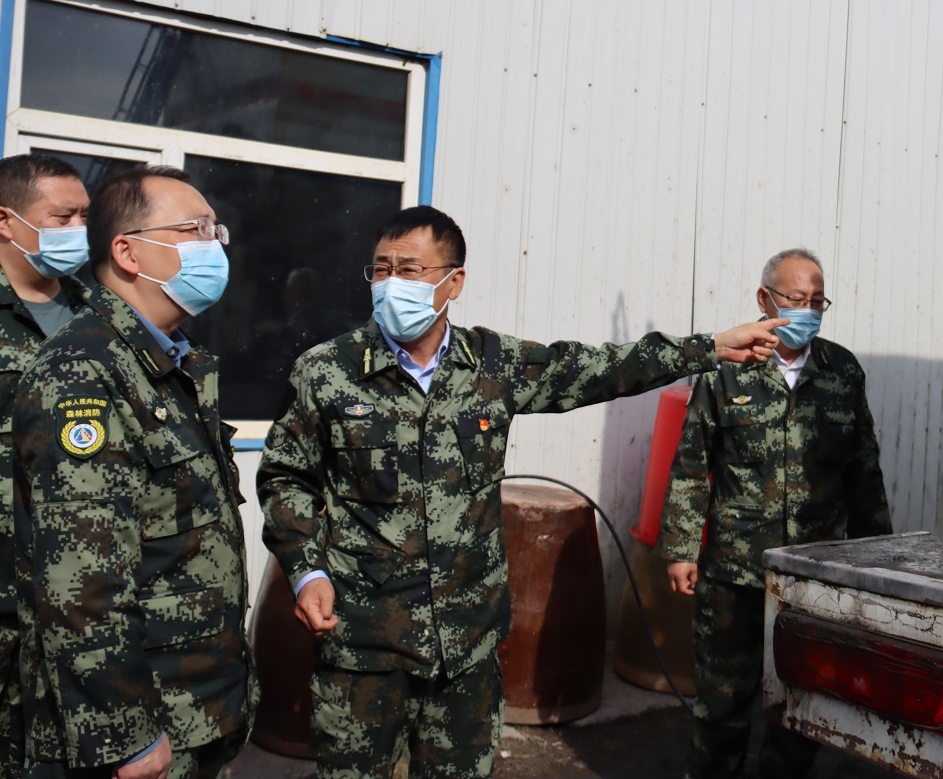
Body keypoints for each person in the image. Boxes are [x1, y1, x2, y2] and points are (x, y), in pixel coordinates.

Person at [256, 205, 784, 779]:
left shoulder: (493, 365)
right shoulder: (326, 372)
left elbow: (600, 368)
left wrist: (710, 346)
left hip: (465, 645)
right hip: (363, 644)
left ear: (453, 281)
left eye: (409, 270)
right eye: (380, 269)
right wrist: (307, 571)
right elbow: (285, 478)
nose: (390, 284)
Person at [13, 166, 252, 779]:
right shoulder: (83, 373)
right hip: (142, 726)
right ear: (127, 252)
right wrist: (129, 734)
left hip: (198, 705)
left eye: (216, 230)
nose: (213, 245)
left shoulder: (170, 365)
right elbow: (82, 583)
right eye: (195, 230)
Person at [658, 247, 892, 779]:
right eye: (796, 299)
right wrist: (680, 549)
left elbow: (864, 473)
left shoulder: (842, 372)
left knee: (803, 708)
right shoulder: (726, 370)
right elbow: (692, 464)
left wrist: (878, 557)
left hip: (815, 575)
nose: (807, 311)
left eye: (817, 301)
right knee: (722, 707)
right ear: (765, 299)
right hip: (735, 573)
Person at [0, 154, 91, 779]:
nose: (78, 231)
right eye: (63, 218)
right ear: (7, 221)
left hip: (80, 598)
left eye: (85, 217)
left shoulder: (100, 316)